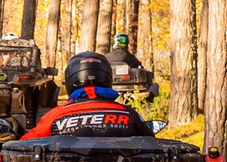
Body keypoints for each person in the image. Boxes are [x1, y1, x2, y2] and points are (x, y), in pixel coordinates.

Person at [16, 51, 153, 139]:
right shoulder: (128, 113)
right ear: (108, 77)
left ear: (70, 80)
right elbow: (150, 141)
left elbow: (26, 143)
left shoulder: (55, 116)